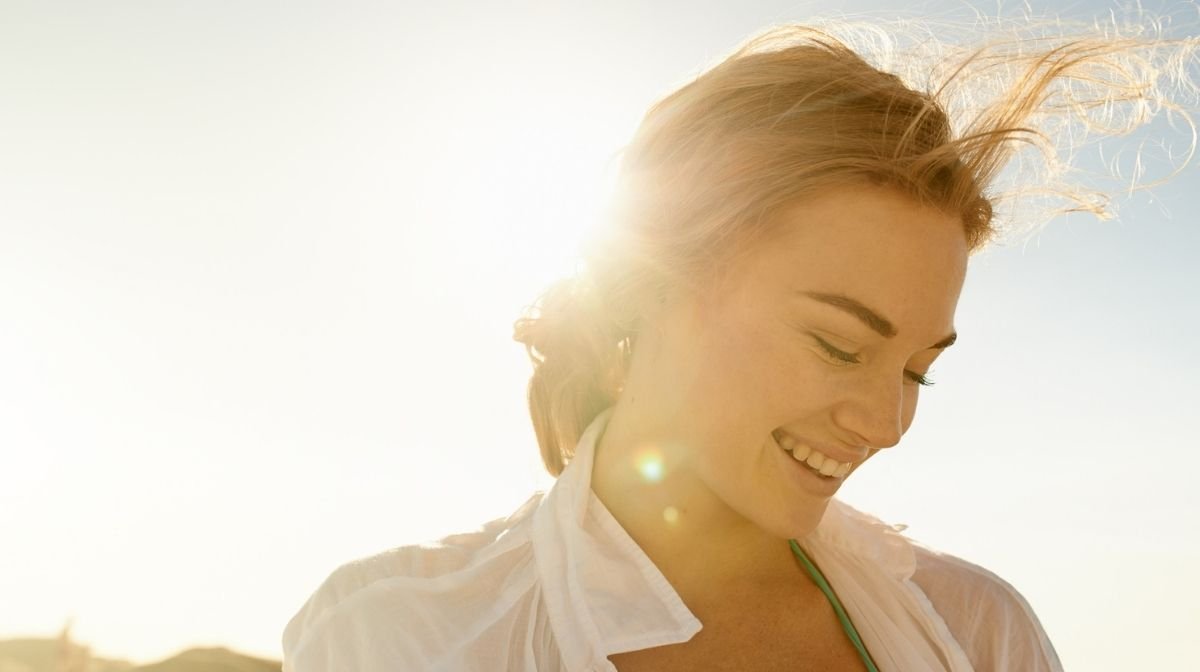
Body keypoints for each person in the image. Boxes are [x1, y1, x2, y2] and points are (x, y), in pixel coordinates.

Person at [281, 19, 1195, 671]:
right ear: (650, 289)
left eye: (920, 369)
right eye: (840, 345)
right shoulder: (392, 637)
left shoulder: (976, 632)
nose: (885, 422)